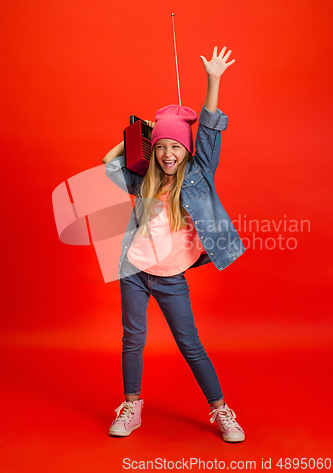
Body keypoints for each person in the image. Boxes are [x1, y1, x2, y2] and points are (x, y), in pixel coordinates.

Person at [102, 46, 246, 442]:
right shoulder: (144, 178)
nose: (168, 153)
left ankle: (221, 410)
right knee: (132, 339)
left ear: (187, 150)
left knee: (190, 343)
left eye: (176, 147)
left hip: (169, 276)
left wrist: (213, 80)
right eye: (161, 146)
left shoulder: (199, 174)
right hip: (133, 270)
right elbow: (108, 164)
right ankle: (132, 405)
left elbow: (212, 127)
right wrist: (135, 135)